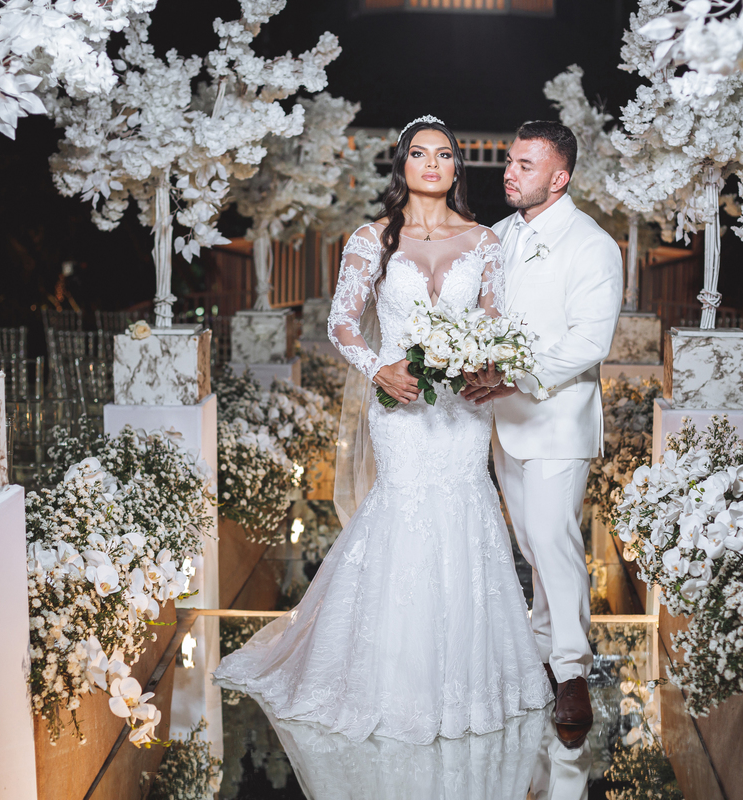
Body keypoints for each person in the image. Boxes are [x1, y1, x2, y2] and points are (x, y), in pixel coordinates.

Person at [213, 116, 553, 744]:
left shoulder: (484, 243)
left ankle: (470, 682)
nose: (432, 164)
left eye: (444, 155)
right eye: (419, 154)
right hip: (397, 406)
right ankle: (384, 679)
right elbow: (343, 323)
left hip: (459, 410)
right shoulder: (370, 239)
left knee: (466, 511)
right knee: (402, 512)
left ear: (456, 168)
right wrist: (378, 368)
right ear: (402, 167)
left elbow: (496, 321)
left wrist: (481, 364)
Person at [463, 121, 624, 747]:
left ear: (559, 178)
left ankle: (572, 671)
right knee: (532, 543)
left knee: (555, 541)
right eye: (509, 161)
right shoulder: (499, 236)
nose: (509, 172)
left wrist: (514, 375)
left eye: (525, 165)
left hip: (557, 417)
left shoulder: (593, 245)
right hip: (507, 422)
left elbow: (590, 342)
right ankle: (542, 651)